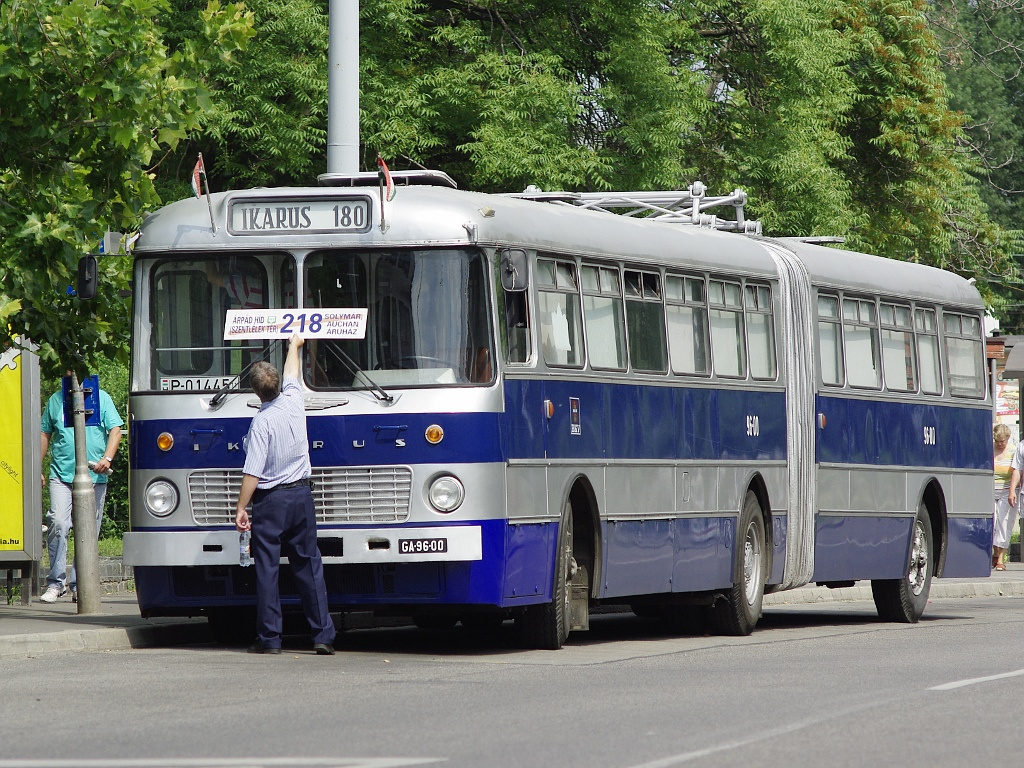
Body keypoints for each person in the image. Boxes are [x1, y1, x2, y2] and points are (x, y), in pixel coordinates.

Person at [234, 334, 335, 655]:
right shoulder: (294, 401)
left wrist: (241, 507)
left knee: (267, 569)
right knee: (308, 565)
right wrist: (295, 346)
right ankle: (322, 636)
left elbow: (253, 472)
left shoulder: (261, 422)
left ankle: (270, 639)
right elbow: (293, 373)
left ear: (255, 391)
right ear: (277, 384)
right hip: (302, 497)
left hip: (272, 502)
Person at [40, 376, 123, 603]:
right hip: (62, 474)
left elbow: (116, 429)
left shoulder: (101, 398)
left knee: (88, 531)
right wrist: (37, 467)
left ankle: (80, 584)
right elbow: (44, 433)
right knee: (58, 522)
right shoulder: (56, 401)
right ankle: (56, 584)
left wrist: (107, 458)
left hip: (94, 476)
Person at [992, 424, 1016, 571]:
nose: (1000, 444)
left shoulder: (1013, 451)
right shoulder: (989, 449)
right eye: (997, 441)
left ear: (1007, 438)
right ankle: (995, 553)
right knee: (993, 523)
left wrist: (1013, 491)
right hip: (990, 490)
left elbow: (1017, 471)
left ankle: (1001, 559)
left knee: (1004, 523)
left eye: (1002, 441)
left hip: (1007, 491)